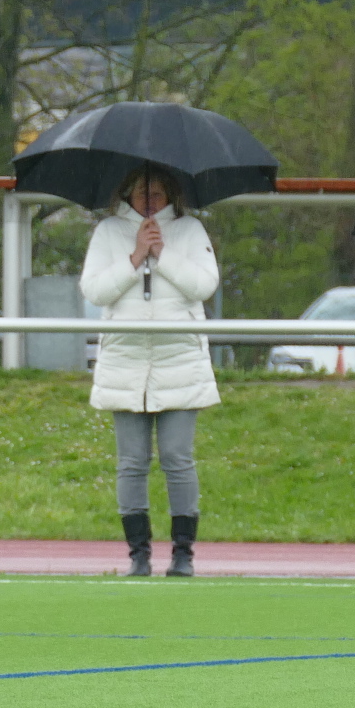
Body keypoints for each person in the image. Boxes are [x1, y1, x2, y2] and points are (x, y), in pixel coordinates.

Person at [79, 164, 219, 577]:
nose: (150, 203)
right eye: (143, 195)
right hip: (125, 363)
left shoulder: (190, 230)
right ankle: (138, 556)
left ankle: (183, 554)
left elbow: (203, 285)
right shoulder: (108, 232)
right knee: (132, 462)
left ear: (171, 196)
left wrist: (162, 254)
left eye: (158, 195)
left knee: (177, 457)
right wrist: (135, 256)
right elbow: (94, 291)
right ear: (127, 195)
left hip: (180, 361)